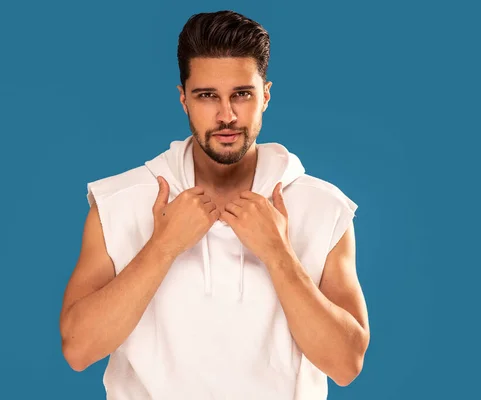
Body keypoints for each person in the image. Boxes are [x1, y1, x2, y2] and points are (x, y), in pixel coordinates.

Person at [59, 10, 369, 400]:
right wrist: (163, 247)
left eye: (242, 94)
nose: (227, 115)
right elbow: (78, 349)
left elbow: (346, 364)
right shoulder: (119, 202)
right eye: (208, 96)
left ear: (266, 95)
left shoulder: (322, 207)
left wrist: (278, 254)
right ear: (184, 99)